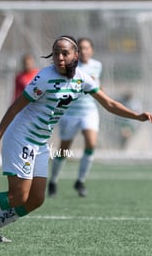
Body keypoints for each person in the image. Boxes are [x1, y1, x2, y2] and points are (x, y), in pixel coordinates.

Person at [0, 35, 152, 243]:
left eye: (65, 53)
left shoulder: (82, 78)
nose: (59, 57)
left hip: (40, 143)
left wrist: (136, 116)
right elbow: (15, 107)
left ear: (75, 55)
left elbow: (109, 103)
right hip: (21, 137)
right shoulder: (44, 77)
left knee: (36, 199)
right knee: (18, 196)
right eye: (56, 53)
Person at [47, 37, 102, 198]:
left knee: (91, 143)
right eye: (81, 48)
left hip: (89, 111)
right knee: (64, 149)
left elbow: (97, 85)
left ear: (91, 50)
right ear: (76, 52)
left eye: (87, 48)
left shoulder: (97, 66)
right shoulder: (71, 66)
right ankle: (53, 181)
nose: (84, 50)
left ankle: (80, 181)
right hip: (70, 112)